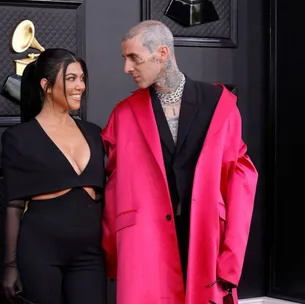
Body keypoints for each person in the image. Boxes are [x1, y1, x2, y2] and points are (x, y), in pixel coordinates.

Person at [101, 20, 258, 304]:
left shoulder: (218, 104)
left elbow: (241, 183)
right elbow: (113, 188)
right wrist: (113, 251)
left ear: (162, 53)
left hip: (205, 237)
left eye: (134, 58)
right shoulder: (123, 115)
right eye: (124, 59)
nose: (127, 68)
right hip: (146, 241)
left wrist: (231, 255)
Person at [1, 48, 106, 304]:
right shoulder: (19, 138)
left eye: (82, 78)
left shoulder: (94, 133)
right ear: (46, 85)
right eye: (71, 78)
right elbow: (14, 206)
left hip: (90, 252)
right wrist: (11, 265)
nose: (80, 86)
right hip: (40, 250)